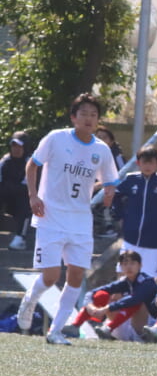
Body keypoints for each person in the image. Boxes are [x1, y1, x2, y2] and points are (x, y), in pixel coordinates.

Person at [15, 93, 119, 345]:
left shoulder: (101, 150)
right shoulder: (56, 138)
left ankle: (56, 331)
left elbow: (110, 180)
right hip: (50, 215)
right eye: (83, 114)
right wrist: (33, 196)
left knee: (76, 275)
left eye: (93, 115)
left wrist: (109, 192)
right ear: (73, 117)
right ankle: (30, 299)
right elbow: (32, 164)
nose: (88, 118)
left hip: (80, 220)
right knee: (51, 275)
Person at [112, 145, 157, 279]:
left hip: (152, 239)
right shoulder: (131, 179)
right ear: (138, 163)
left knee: (150, 279)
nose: (148, 166)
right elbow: (116, 195)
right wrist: (120, 216)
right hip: (130, 237)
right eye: (144, 162)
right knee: (123, 275)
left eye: (151, 162)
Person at [63, 250, 157, 342]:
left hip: (148, 326)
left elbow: (135, 299)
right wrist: (90, 306)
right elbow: (91, 293)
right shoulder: (124, 282)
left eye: (132, 263)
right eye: (125, 264)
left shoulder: (147, 282)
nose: (129, 267)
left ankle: (110, 328)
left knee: (135, 302)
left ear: (140, 265)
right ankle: (75, 326)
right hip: (125, 324)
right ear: (120, 267)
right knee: (101, 295)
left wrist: (106, 308)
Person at [94, 125, 126, 238]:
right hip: (92, 188)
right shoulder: (90, 154)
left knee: (110, 197)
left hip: (111, 188)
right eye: (98, 137)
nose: (101, 140)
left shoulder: (117, 156)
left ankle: (109, 228)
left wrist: (100, 185)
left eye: (104, 137)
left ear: (111, 142)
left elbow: (122, 175)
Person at [0, 131, 31, 250]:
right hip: (7, 197)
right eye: (14, 146)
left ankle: (20, 238)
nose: (16, 149)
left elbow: (27, 186)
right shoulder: (5, 161)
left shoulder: (30, 163)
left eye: (19, 146)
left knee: (25, 198)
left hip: (23, 200)